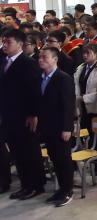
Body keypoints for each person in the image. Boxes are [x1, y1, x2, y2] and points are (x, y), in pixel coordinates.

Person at [1, 28, 44, 199]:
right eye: (3, 41)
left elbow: (34, 91)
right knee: (17, 152)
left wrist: (33, 114)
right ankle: (25, 184)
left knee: (29, 151)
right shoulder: (4, 61)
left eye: (8, 42)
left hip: (25, 116)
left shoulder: (28, 63)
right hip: (8, 115)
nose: (5, 45)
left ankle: (36, 185)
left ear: (20, 44)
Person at [36, 46, 76, 207]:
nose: (41, 60)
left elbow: (68, 105)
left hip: (60, 127)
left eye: (44, 57)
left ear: (55, 59)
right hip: (47, 126)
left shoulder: (63, 78)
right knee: (55, 159)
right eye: (40, 57)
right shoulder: (41, 77)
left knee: (64, 160)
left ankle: (68, 191)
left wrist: (67, 128)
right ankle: (60, 189)